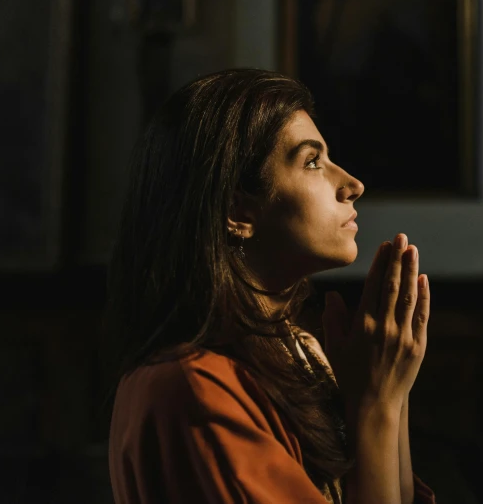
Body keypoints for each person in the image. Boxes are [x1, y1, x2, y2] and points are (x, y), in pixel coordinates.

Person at [104, 68, 435, 503]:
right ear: (237, 210)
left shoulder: (296, 353)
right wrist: (376, 407)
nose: (352, 185)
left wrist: (390, 387)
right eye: (312, 161)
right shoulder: (196, 390)